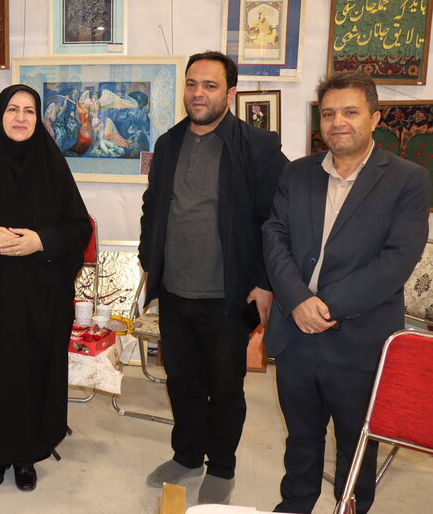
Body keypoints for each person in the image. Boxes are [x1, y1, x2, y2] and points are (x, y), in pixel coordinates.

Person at [262, 71, 429, 514]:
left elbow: (396, 262)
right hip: (295, 333)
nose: (338, 122)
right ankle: (295, 504)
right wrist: (298, 301)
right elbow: (274, 236)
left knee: (357, 444)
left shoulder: (408, 180)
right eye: (329, 113)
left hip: (360, 339)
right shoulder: (297, 173)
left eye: (350, 112)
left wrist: (323, 307)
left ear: (374, 118)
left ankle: (350, 508)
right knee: (301, 438)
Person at [138, 51, 288, 505]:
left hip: (229, 295)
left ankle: (222, 466)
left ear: (231, 92)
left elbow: (277, 220)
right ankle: (186, 456)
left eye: (209, 85)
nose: (198, 93)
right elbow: (153, 205)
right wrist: (148, 257)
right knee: (181, 382)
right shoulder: (168, 143)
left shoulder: (258, 147)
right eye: (192, 84)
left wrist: (265, 282)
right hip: (174, 291)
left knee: (224, 389)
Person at [0, 84, 90, 492]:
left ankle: (26, 455)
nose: (21, 117)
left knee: (31, 372)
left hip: (38, 298)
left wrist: (42, 241)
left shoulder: (53, 166)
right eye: (12, 109)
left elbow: (78, 228)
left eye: (29, 111)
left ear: (38, 119)